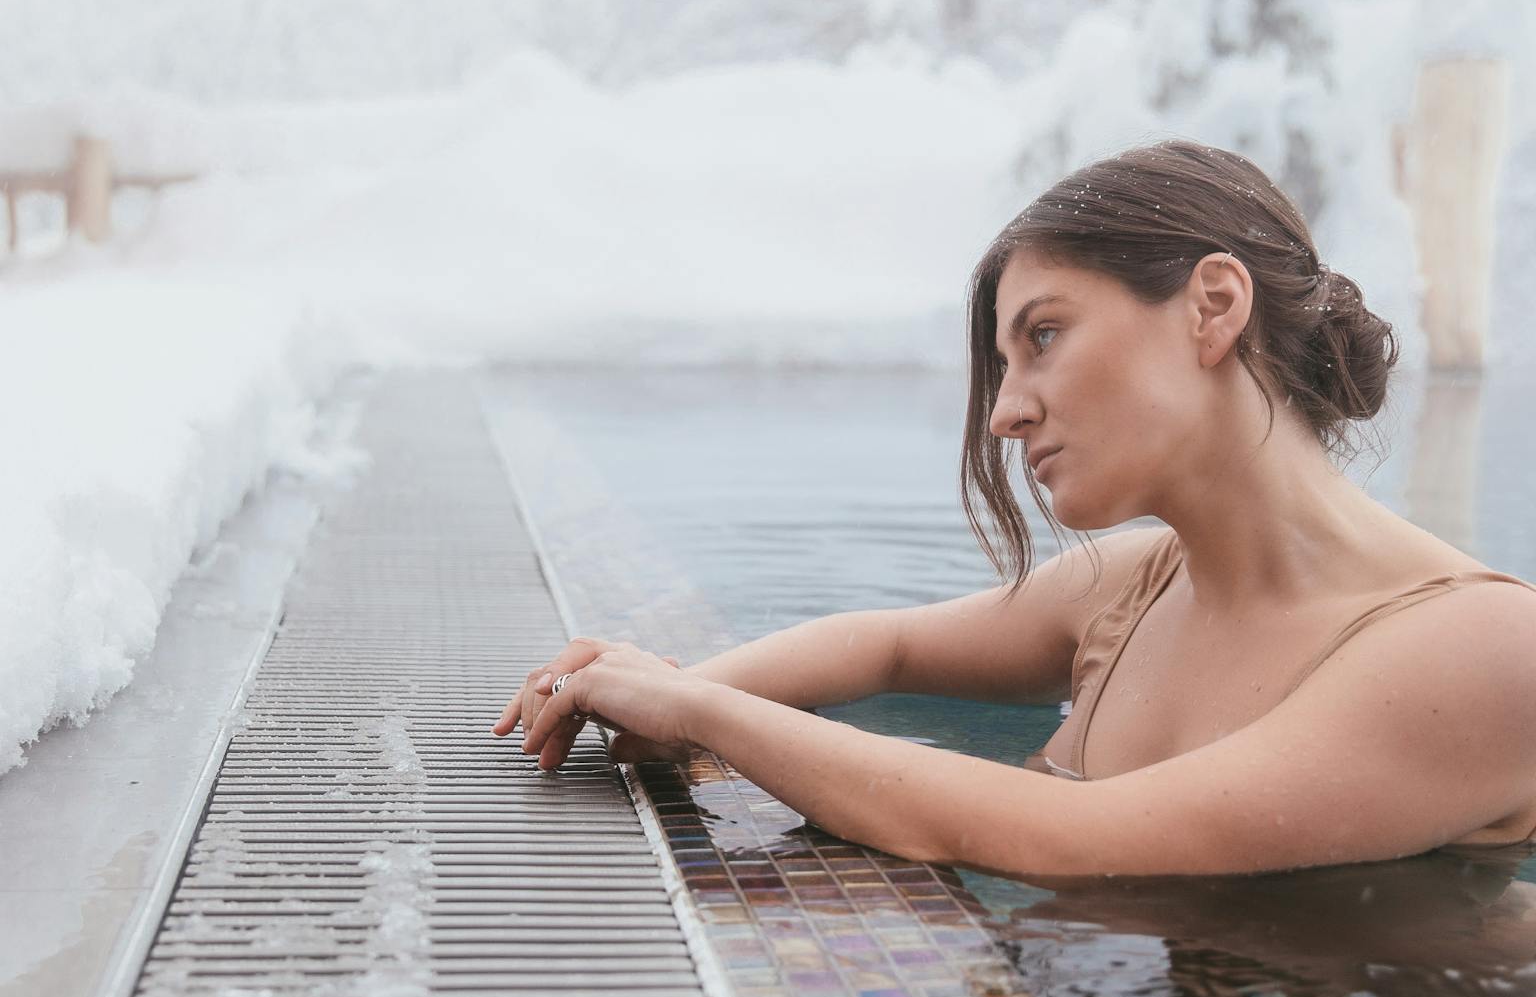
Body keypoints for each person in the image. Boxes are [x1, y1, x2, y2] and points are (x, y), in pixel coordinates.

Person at [493, 140, 1536, 880]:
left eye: (1043, 335)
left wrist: (704, 714)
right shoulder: (1140, 581)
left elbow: (1072, 836)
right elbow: (891, 648)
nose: (1004, 412)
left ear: (1214, 307)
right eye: (1003, 361)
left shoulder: (1483, 646)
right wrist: (650, 696)